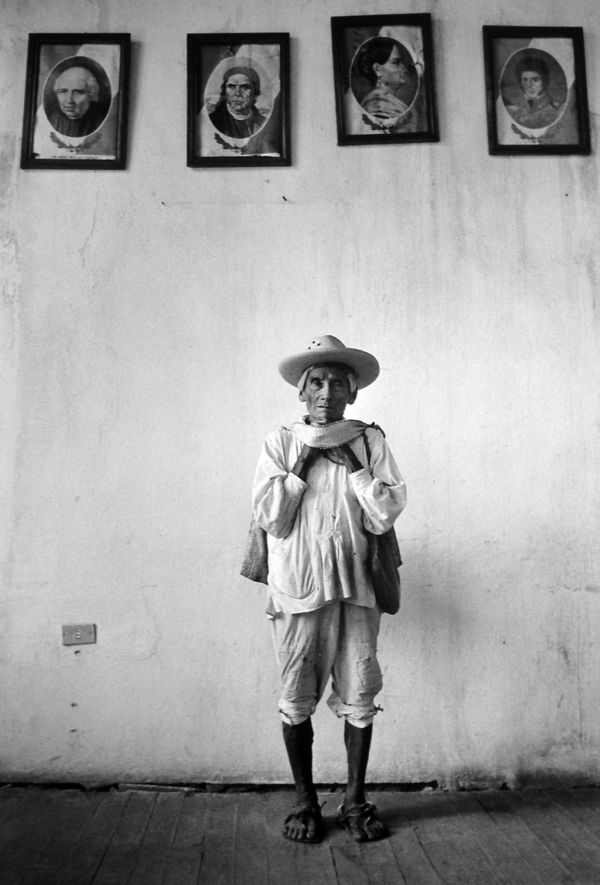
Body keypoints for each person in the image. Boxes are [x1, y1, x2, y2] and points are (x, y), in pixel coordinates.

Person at [249, 335, 406, 843]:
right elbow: (272, 518)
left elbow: (384, 513)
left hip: (357, 587)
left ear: (352, 393)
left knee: (361, 689)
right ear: (302, 392)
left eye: (338, 383)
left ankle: (356, 802)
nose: (326, 392)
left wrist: (353, 465)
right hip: (298, 588)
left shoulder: (369, 441)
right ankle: (305, 802)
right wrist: (305, 463)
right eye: (316, 382)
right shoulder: (280, 442)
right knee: (297, 692)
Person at [355, 37, 412, 126]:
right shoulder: (378, 106)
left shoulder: (386, 102)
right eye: (396, 62)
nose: (404, 68)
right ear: (378, 69)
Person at [46, 65, 108, 137]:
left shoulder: (102, 121)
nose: (69, 100)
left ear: (91, 94)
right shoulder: (51, 119)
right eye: (63, 91)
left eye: (77, 92)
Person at [506, 55, 563, 130]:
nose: (529, 85)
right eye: (525, 80)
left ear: (545, 81)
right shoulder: (512, 108)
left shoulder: (556, 108)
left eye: (535, 80)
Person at [208, 65, 266, 139]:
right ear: (224, 91)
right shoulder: (214, 121)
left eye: (244, 87)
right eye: (232, 86)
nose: (237, 93)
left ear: (255, 92)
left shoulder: (263, 122)